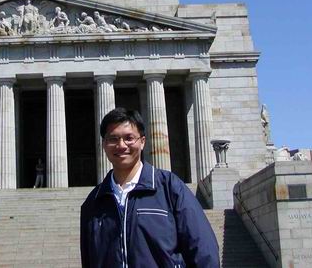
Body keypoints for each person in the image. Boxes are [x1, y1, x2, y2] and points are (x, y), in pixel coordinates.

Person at [80, 108, 219, 267]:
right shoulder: (94, 201)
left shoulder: (169, 188)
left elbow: (203, 250)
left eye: (129, 138)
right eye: (113, 139)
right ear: (104, 144)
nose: (121, 145)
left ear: (142, 142)